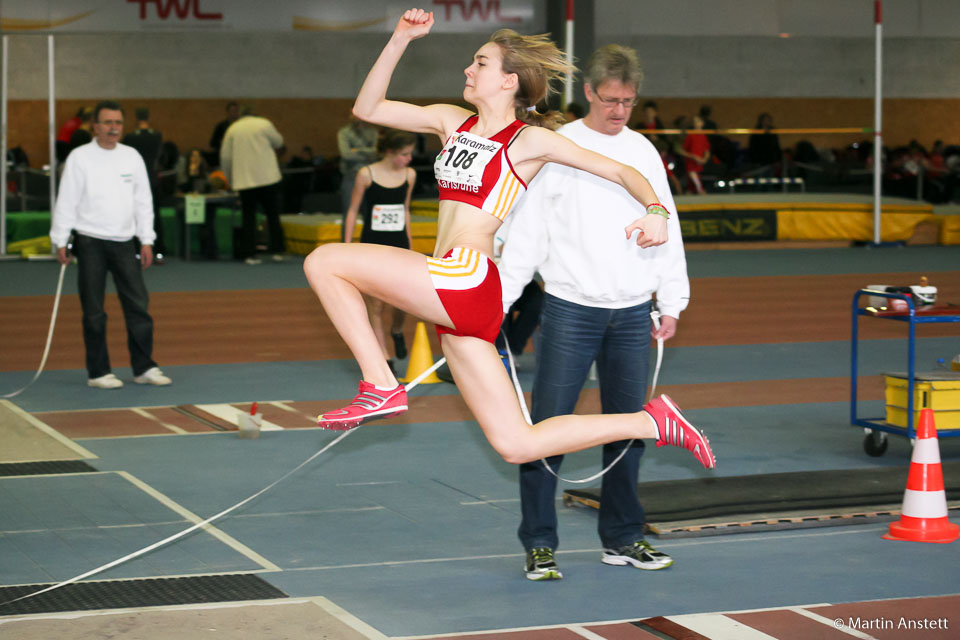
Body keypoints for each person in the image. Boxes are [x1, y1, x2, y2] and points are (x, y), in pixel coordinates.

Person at [303, 9, 714, 489]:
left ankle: (381, 384)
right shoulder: (450, 121)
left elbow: (623, 172)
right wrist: (399, 39)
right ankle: (652, 422)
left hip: (467, 275)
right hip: (455, 299)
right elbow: (368, 108)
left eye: (480, 63)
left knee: (325, 261)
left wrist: (656, 213)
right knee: (516, 443)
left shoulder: (529, 140)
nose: (468, 70)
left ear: (508, 81)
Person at [499, 44, 689, 581]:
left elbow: (666, 225)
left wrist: (672, 300)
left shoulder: (645, 153)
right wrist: (501, 302)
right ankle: (539, 542)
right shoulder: (558, 147)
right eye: (610, 99)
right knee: (545, 430)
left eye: (628, 101)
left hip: (632, 314)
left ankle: (623, 538)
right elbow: (528, 233)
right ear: (588, 92)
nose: (619, 110)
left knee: (629, 429)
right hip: (568, 312)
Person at [49, 101, 172, 390]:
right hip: (89, 242)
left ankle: (144, 368)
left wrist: (147, 240)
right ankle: (98, 372)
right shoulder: (80, 158)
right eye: (107, 122)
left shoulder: (132, 157)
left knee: (138, 306)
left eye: (117, 122)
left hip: (124, 243)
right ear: (95, 126)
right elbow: (66, 200)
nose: (113, 128)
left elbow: (143, 202)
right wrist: (60, 239)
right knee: (93, 311)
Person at [343, 130, 418, 369]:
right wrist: (347, 244)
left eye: (410, 154)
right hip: (372, 245)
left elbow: (405, 209)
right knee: (375, 304)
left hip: (398, 245)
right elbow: (353, 210)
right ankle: (385, 358)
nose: (409, 159)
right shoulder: (367, 174)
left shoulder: (410, 175)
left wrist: (410, 243)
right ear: (390, 152)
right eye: (404, 154)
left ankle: (396, 329)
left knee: (403, 300)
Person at [220, 105, 286, 265]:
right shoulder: (264, 123)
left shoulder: (233, 129)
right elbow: (279, 142)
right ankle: (277, 251)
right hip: (268, 177)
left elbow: (225, 157)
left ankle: (249, 254)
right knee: (273, 215)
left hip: (245, 180)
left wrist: (229, 179)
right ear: (254, 115)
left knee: (248, 217)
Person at [123, 107, 168, 263]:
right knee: (155, 215)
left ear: (136, 118)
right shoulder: (156, 136)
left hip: (136, 182)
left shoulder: (130, 137)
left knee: (136, 216)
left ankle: (136, 252)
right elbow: (161, 158)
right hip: (153, 181)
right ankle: (159, 252)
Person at [337, 116, 380, 227]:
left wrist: (357, 150)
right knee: (349, 212)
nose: (356, 117)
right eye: (353, 114)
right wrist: (368, 154)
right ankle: (346, 243)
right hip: (352, 176)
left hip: (371, 176)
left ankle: (370, 243)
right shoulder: (344, 133)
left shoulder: (373, 132)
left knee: (371, 213)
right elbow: (346, 155)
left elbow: (377, 152)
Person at [678, 113, 710, 194]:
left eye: (698, 121)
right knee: (693, 176)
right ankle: (700, 190)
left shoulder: (703, 136)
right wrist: (692, 156)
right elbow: (682, 150)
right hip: (691, 162)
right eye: (695, 122)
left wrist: (705, 159)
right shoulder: (690, 135)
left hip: (699, 162)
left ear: (702, 123)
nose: (696, 123)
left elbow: (707, 150)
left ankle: (694, 191)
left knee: (691, 186)